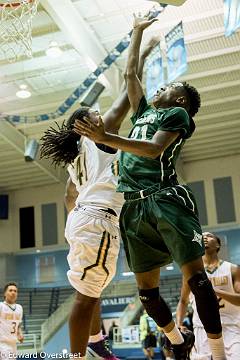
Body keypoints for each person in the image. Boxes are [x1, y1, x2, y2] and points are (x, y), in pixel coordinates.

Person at [73, 14, 227, 360]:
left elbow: (154, 149)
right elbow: (129, 75)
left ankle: (218, 353)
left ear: (181, 101)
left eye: (170, 87)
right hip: (134, 207)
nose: (161, 87)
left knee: (198, 281)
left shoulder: (177, 116)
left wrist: (105, 137)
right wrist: (138, 32)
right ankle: (176, 340)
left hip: (165, 198)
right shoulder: (143, 110)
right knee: (147, 295)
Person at [40, 39, 157, 360]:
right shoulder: (98, 141)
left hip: (83, 219)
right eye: (95, 114)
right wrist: (141, 58)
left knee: (90, 290)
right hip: (96, 220)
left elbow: (68, 196)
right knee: (86, 296)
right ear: (84, 125)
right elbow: (126, 96)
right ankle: (79, 355)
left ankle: (94, 340)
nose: (101, 117)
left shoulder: (75, 156)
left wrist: (80, 218)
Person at [176, 231, 240, 359]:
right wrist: (179, 324)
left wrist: (212, 290)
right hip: (201, 328)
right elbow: (183, 301)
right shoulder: (190, 272)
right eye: (202, 236)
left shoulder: (233, 269)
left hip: (230, 326)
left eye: (209, 236)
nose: (204, 238)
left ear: (218, 245)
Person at [0, 282, 24, 359]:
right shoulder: (1, 306)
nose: (13, 292)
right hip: (2, 343)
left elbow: (18, 325)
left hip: (13, 343)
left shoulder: (19, 308)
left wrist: (20, 333)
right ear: (5, 293)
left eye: (15, 291)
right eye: (10, 290)